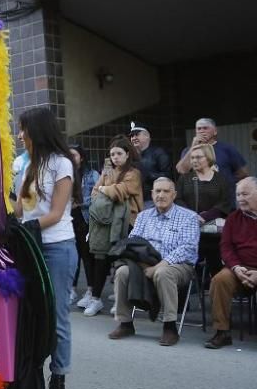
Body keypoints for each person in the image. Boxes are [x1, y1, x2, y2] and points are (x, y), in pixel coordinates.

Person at [16, 107, 77, 389]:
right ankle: (33, 374)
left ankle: (59, 380)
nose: (20, 135)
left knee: (57, 317)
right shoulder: (28, 166)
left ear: (37, 131)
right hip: (31, 247)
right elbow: (20, 209)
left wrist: (24, 228)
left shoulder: (61, 164)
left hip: (57, 248)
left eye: (23, 129)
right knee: (31, 315)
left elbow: (54, 214)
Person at [107, 178, 199, 346]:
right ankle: (125, 323)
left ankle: (170, 327)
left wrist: (159, 266)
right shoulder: (143, 216)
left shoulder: (189, 217)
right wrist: (143, 265)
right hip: (145, 264)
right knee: (122, 272)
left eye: (166, 191)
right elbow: (132, 243)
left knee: (162, 273)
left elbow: (188, 248)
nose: (161, 195)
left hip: (178, 266)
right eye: (157, 191)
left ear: (174, 195)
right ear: (152, 194)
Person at [81, 136, 142, 317]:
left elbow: (120, 191)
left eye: (119, 153)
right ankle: (96, 299)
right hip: (104, 221)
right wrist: (103, 189)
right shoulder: (107, 171)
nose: (115, 157)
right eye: (112, 154)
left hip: (127, 223)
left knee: (121, 261)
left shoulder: (134, 173)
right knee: (101, 259)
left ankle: (119, 300)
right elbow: (94, 192)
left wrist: (103, 190)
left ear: (127, 154)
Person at [204, 177, 257, 348]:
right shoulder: (234, 218)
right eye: (238, 194)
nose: (240, 198)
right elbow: (225, 247)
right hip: (239, 267)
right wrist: (236, 267)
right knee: (219, 280)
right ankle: (222, 332)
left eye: (245, 194)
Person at [174, 143, 234, 278]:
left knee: (215, 260)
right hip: (189, 228)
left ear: (208, 158)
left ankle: (216, 285)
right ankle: (196, 283)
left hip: (214, 232)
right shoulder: (185, 179)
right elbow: (178, 199)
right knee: (188, 260)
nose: (194, 160)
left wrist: (205, 217)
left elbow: (225, 203)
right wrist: (192, 216)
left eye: (198, 157)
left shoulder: (221, 179)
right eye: (192, 158)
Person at [68, 145, 98, 304]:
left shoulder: (92, 174)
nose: (71, 158)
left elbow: (98, 196)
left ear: (82, 157)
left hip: (85, 219)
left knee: (87, 256)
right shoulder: (65, 174)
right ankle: (71, 289)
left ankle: (90, 290)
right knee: (73, 255)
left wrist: (79, 203)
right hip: (68, 219)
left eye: (74, 155)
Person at [174, 118, 249, 181]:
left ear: (215, 131)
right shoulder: (188, 150)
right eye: (199, 128)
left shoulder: (227, 148)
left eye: (205, 128)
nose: (201, 131)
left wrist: (228, 183)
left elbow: (243, 172)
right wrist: (193, 147)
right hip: (199, 194)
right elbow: (182, 170)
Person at [129, 124, 170, 206]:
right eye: (132, 136)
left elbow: (167, 176)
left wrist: (148, 175)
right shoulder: (129, 156)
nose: (133, 138)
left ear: (147, 136)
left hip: (152, 200)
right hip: (133, 201)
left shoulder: (158, 153)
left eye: (137, 134)